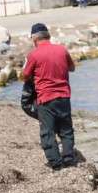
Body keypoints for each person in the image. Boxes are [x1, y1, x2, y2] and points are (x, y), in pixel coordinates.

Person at [21, 22, 76, 170]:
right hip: (64, 96)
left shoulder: (34, 55)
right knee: (66, 129)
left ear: (34, 38)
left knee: (47, 132)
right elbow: (72, 68)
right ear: (48, 35)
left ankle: (56, 164)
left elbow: (25, 76)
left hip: (46, 98)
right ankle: (69, 158)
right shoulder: (62, 50)